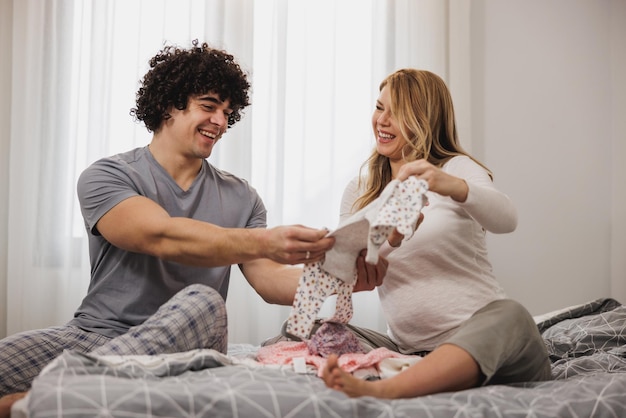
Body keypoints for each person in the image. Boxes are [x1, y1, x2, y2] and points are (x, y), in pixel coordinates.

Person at [0, 40, 387, 409]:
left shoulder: (243, 198)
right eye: (209, 106)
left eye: (227, 112)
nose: (220, 121)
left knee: (204, 301)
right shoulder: (107, 175)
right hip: (92, 335)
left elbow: (269, 281)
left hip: (191, 338)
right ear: (169, 104)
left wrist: (339, 277)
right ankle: (84, 380)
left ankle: (48, 394)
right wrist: (266, 241)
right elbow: (161, 235)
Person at [321, 68, 551, 399]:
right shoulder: (359, 190)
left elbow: (507, 219)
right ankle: (417, 376)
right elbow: (350, 268)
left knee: (511, 314)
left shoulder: (457, 169)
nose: (382, 121)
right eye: (379, 107)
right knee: (314, 331)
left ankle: (388, 390)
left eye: (397, 112)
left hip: (494, 346)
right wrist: (393, 236)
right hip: (410, 353)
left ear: (425, 118)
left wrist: (451, 185)